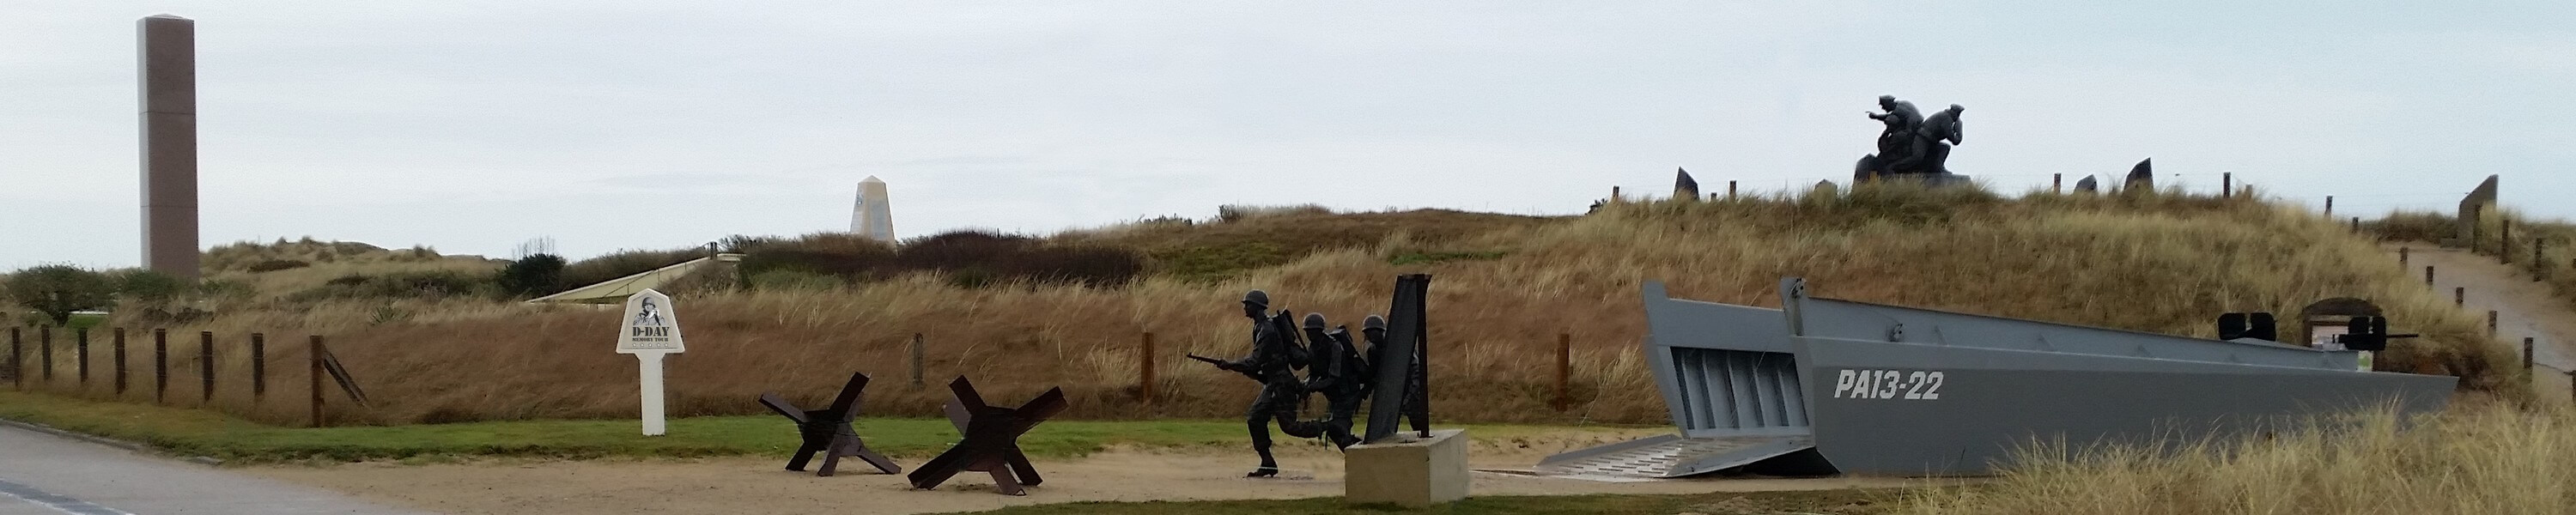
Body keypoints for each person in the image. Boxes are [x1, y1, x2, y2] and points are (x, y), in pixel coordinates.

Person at [1212, 289, 1322, 477]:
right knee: (1255, 418)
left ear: (1257, 307)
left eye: (1247, 304)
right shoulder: (1260, 327)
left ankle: (1328, 427)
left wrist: (1230, 364)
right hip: (1273, 383)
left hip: (1281, 384)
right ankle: (1268, 463)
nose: (1245, 307)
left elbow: (1255, 360)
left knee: (1289, 426)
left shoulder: (1267, 330)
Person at [1299, 313, 1368, 450]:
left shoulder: (1334, 346)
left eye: (1312, 331)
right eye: (1307, 331)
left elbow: (1334, 377)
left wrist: (1312, 387)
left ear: (1320, 330)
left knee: (1339, 427)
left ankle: (1362, 455)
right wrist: (1305, 385)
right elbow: (1313, 374)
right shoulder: (1312, 348)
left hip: (1347, 392)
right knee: (1336, 431)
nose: (1309, 334)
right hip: (1335, 396)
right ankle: (1359, 452)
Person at [1358, 314, 1429, 434]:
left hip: (1410, 388)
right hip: (1391, 392)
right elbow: (1375, 375)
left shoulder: (1398, 346)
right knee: (1384, 426)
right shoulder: (1373, 351)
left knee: (1418, 424)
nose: (1371, 336)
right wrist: (1364, 391)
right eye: (1368, 333)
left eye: (1374, 332)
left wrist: (1412, 392)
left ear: (1382, 332)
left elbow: (1416, 369)